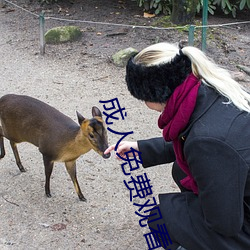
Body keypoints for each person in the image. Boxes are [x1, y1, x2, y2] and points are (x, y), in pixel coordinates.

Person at [104, 42, 250, 250]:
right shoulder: (209, 89)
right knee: (181, 170)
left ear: (155, 93)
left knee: (160, 218)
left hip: (241, 222)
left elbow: (225, 224)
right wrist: (142, 148)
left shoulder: (207, 142)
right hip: (241, 187)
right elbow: (193, 138)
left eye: (143, 98)